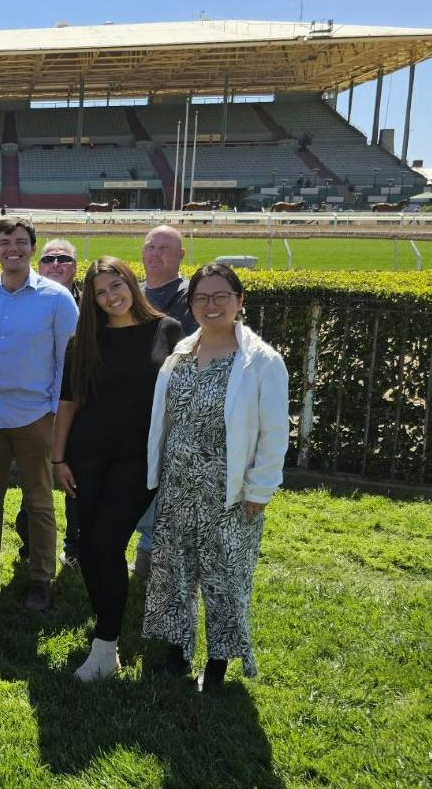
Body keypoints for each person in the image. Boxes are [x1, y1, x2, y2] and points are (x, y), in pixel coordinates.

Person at [143, 263, 289, 691]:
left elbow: (273, 434)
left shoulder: (262, 362)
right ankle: (176, 651)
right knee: (174, 572)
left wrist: (259, 491)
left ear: (239, 302)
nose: (212, 305)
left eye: (221, 296)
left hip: (229, 493)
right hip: (177, 487)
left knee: (225, 578)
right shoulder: (181, 354)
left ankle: (219, 662)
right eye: (202, 298)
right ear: (191, 305)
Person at [49, 258, 182, 682]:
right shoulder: (83, 340)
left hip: (138, 459)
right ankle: (106, 620)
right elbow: (67, 403)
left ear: (130, 282)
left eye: (116, 285)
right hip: (87, 455)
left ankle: (106, 647)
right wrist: (58, 458)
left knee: (106, 543)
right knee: (88, 547)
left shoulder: (167, 331)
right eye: (101, 292)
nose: (111, 296)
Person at [0, 218, 78, 611]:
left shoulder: (57, 299)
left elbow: (68, 361)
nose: (14, 248)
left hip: (35, 416)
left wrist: (53, 413)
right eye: (6, 242)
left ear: (32, 248)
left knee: (40, 501)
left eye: (22, 242)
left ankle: (41, 578)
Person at [132, 225, 199, 575]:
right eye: (150, 247)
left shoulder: (188, 297)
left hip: (170, 410)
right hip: (133, 411)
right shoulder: (135, 292)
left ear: (180, 256)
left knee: (162, 483)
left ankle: (151, 557)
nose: (155, 254)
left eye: (165, 248)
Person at [32, 237, 81, 567]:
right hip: (36, 407)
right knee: (36, 482)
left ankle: (75, 544)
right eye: (49, 259)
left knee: (75, 478)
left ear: (76, 267)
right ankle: (31, 545)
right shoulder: (28, 299)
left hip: (77, 406)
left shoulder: (94, 302)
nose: (56, 265)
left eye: (64, 259)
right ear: (39, 266)